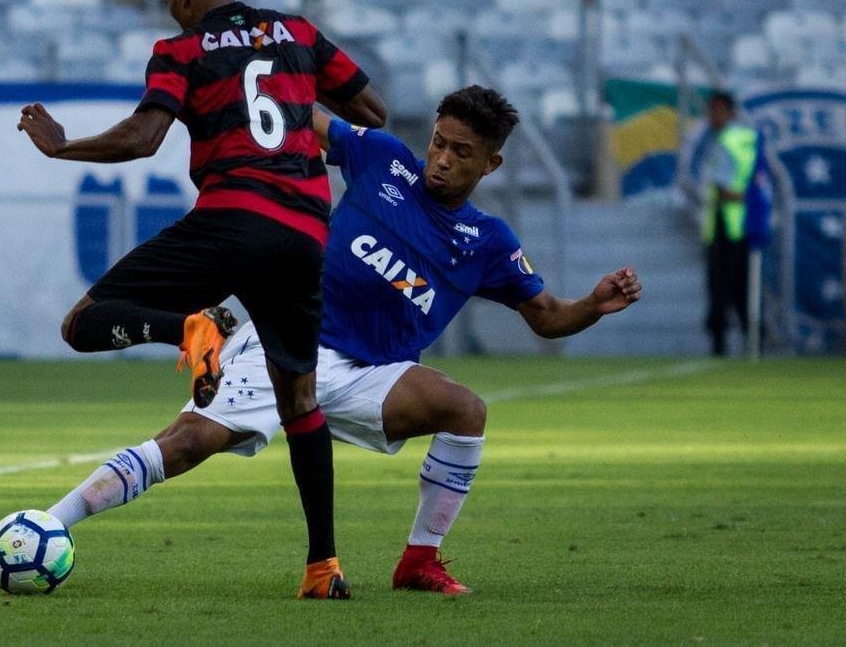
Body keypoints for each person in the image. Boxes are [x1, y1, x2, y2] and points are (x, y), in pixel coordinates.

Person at [44, 86, 642, 596]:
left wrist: (593, 304)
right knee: (189, 443)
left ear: (491, 165)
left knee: (466, 411)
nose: (440, 160)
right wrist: (257, 89)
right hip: (293, 340)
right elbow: (304, 118)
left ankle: (419, 562)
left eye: (461, 153)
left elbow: (545, 315)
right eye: (438, 142)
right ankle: (52, 522)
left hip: (372, 374)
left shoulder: (486, 240)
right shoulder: (382, 159)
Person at [16, 0, 387, 598]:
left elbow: (142, 137)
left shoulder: (180, 50)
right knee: (300, 401)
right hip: (304, 234)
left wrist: (63, 147)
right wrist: (301, 112)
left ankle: (190, 329)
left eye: (169, 2)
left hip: (232, 220)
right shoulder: (298, 31)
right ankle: (322, 566)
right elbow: (371, 112)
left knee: (83, 322)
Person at [700, 91, 761, 356]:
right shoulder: (748, 139)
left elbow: (725, 188)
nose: (711, 116)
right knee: (740, 287)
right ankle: (752, 342)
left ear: (729, 111)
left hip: (727, 222)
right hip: (743, 224)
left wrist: (740, 197)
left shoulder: (727, 141)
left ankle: (722, 343)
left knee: (723, 287)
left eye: (716, 110)